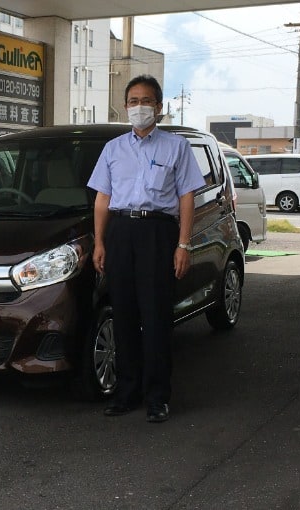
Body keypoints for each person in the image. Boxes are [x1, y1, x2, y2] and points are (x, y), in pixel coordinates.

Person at [87, 75, 206, 422]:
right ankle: (127, 392)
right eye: (133, 101)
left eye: (147, 101)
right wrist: (100, 242)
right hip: (121, 231)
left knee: (155, 317)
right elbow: (102, 199)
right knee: (123, 314)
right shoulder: (113, 149)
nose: (140, 107)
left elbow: (187, 197)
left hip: (158, 232)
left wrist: (183, 243)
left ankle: (157, 397)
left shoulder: (176, 147)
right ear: (126, 106)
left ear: (159, 106)